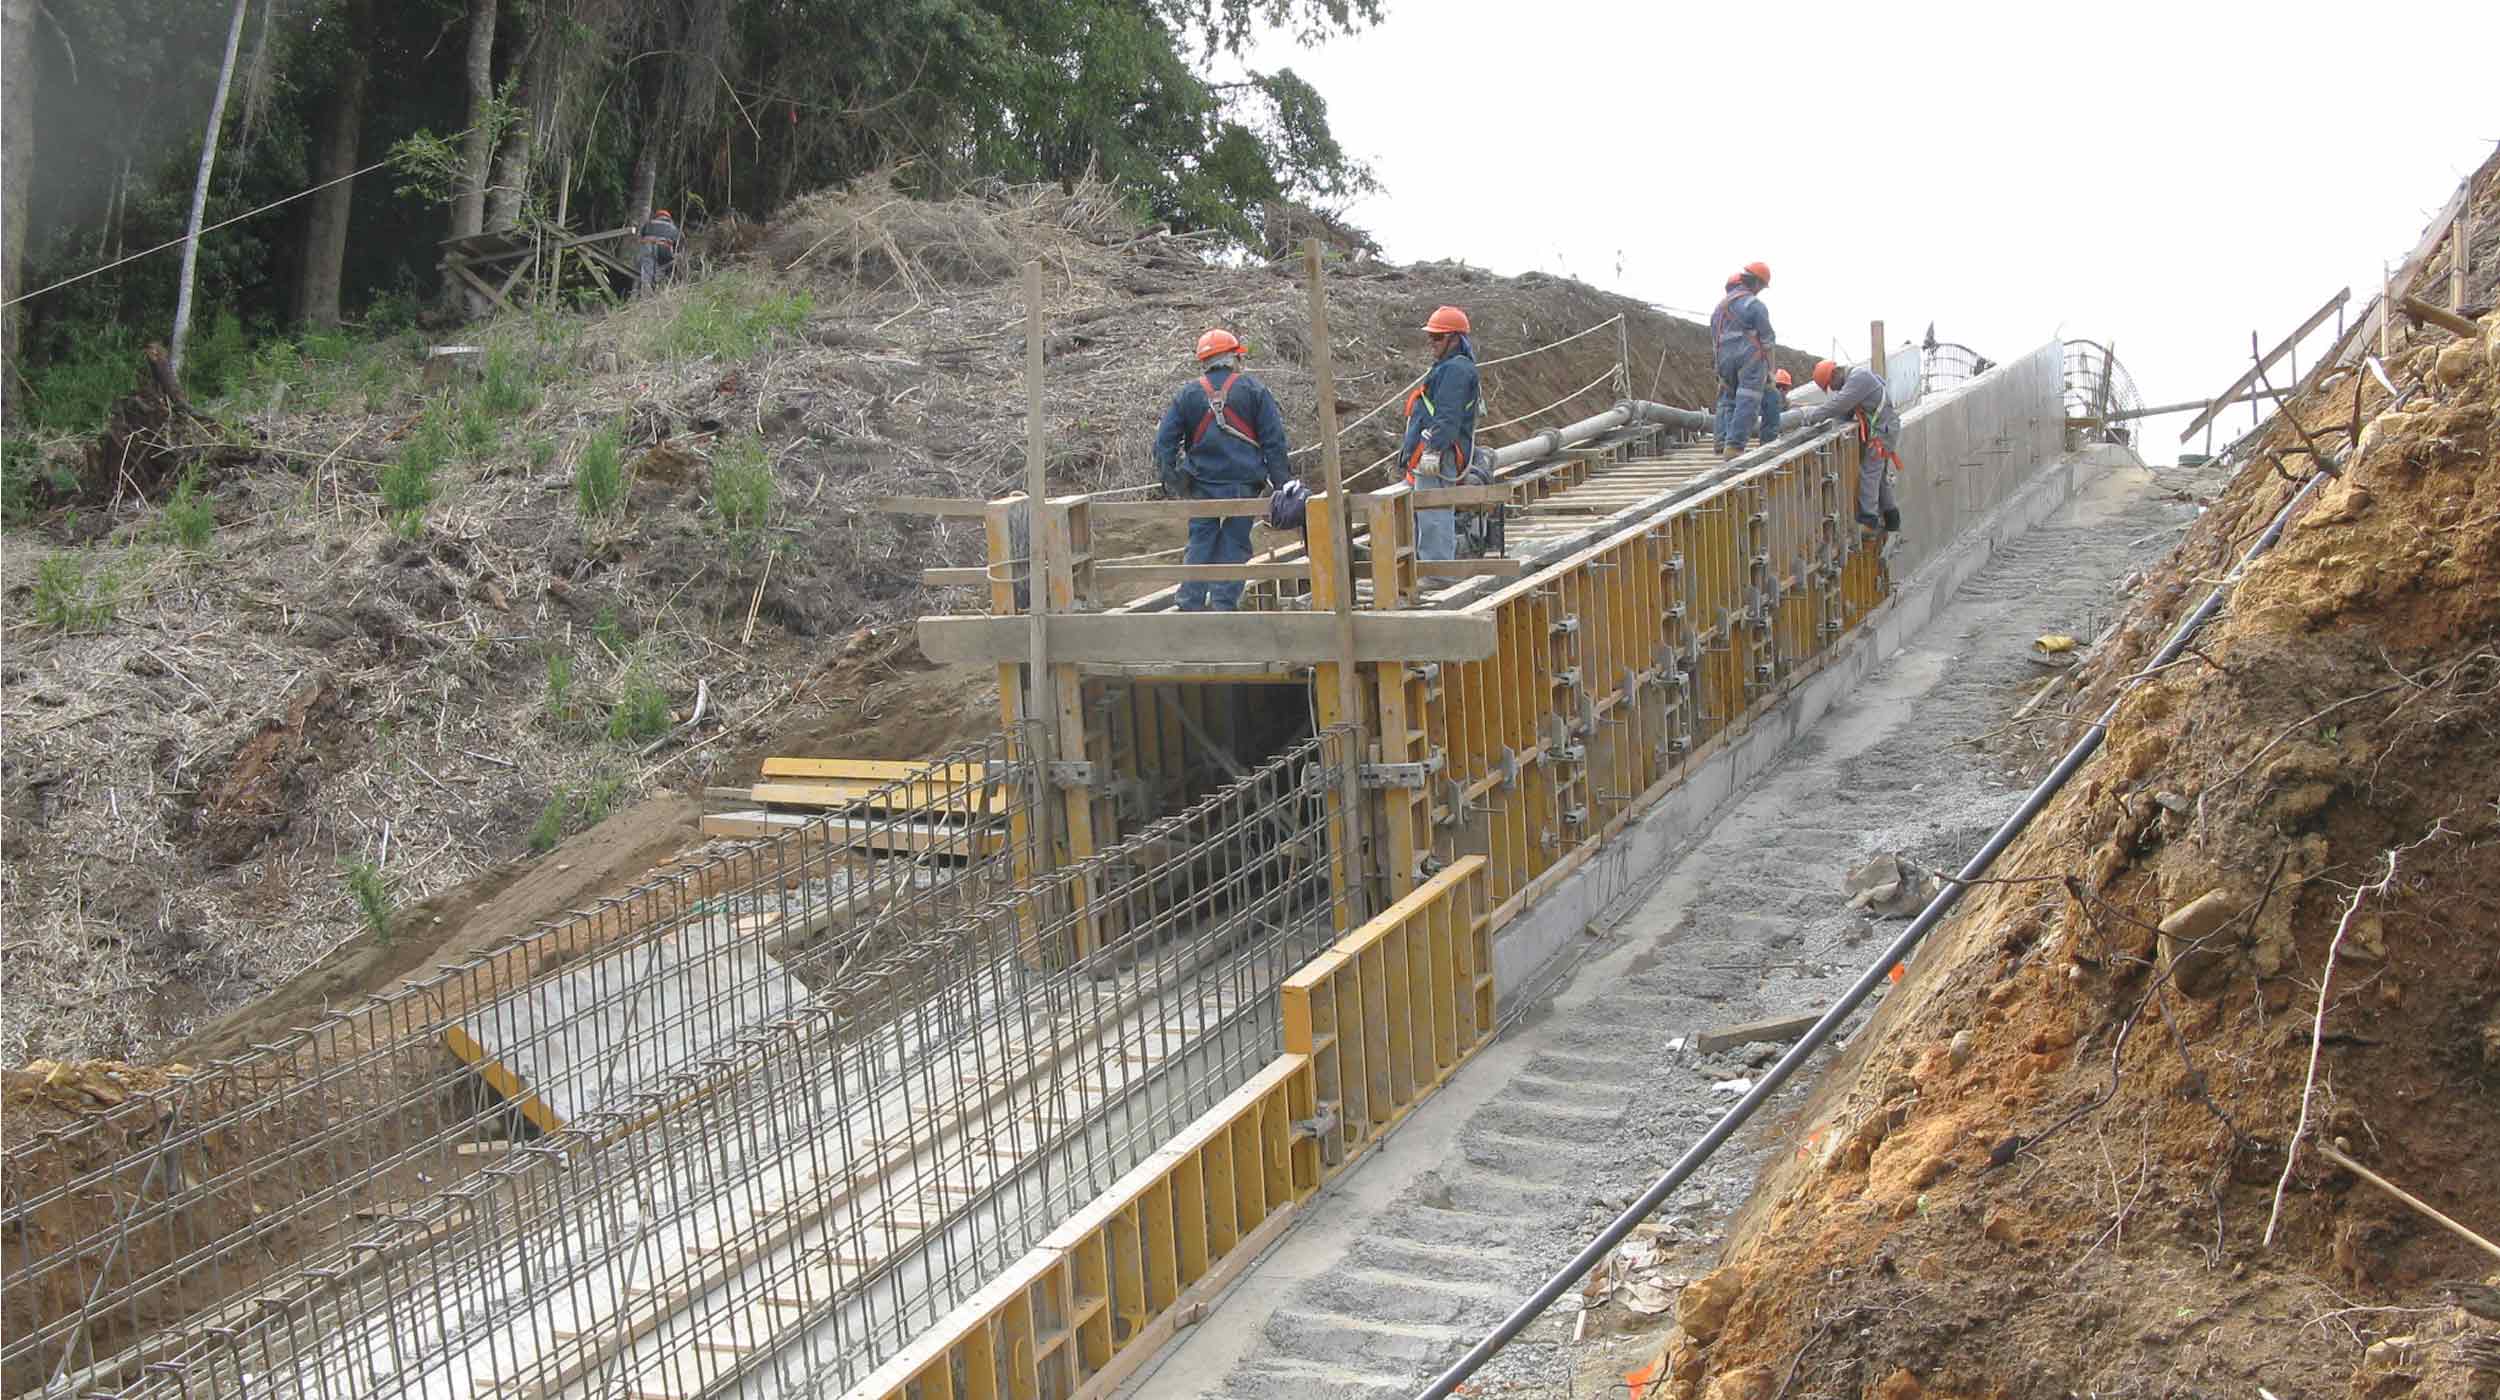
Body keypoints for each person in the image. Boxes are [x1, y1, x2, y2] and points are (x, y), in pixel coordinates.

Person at [1151, 329, 1293, 611]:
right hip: (1244, 484)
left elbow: (1164, 442)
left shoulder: (1189, 394)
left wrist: (1173, 479)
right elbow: (1273, 442)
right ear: (1234, 359)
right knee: (1235, 543)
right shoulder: (1254, 390)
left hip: (1202, 484)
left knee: (1201, 540)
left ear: (1204, 361)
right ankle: (1223, 604)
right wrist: (1282, 485)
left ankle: (1190, 602)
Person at [1402, 305, 1483, 561]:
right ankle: (1428, 567)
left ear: (1454, 339)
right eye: (1431, 336)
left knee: (1433, 511)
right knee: (1426, 511)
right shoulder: (1449, 367)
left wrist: (1434, 450)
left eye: (1437, 337)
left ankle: (1438, 574)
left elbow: (1447, 415)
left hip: (1440, 453)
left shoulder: (1456, 370)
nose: (1431, 342)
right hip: (1433, 450)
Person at [1789, 359, 1903, 538]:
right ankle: (1892, 519)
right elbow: (1844, 414)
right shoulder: (1855, 379)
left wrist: (1810, 417)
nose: (1832, 390)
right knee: (1879, 477)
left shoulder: (1858, 379)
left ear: (1835, 374)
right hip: (1886, 429)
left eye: (1830, 385)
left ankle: (1869, 521)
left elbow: (1837, 406)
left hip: (1883, 432)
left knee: (1870, 472)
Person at [1709, 261, 1774, 458]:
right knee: (1748, 398)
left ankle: (1721, 441)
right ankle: (1734, 447)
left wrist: (1718, 366)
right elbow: (1768, 339)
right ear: (1756, 283)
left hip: (1724, 359)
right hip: (1749, 357)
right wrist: (1770, 369)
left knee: (1728, 399)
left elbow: (1715, 338)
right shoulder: (1754, 305)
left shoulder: (1718, 309)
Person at [637, 208, 683, 294]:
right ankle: (657, 290)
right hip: (664, 248)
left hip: (648, 247)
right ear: (668, 218)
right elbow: (677, 245)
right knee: (661, 270)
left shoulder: (649, 223)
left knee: (647, 272)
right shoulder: (673, 227)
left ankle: (646, 292)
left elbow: (641, 236)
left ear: (657, 216)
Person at [1758, 368, 1793, 445]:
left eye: (1785, 388)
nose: (1781, 390)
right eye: (1778, 386)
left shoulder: (1786, 403)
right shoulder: (1764, 400)